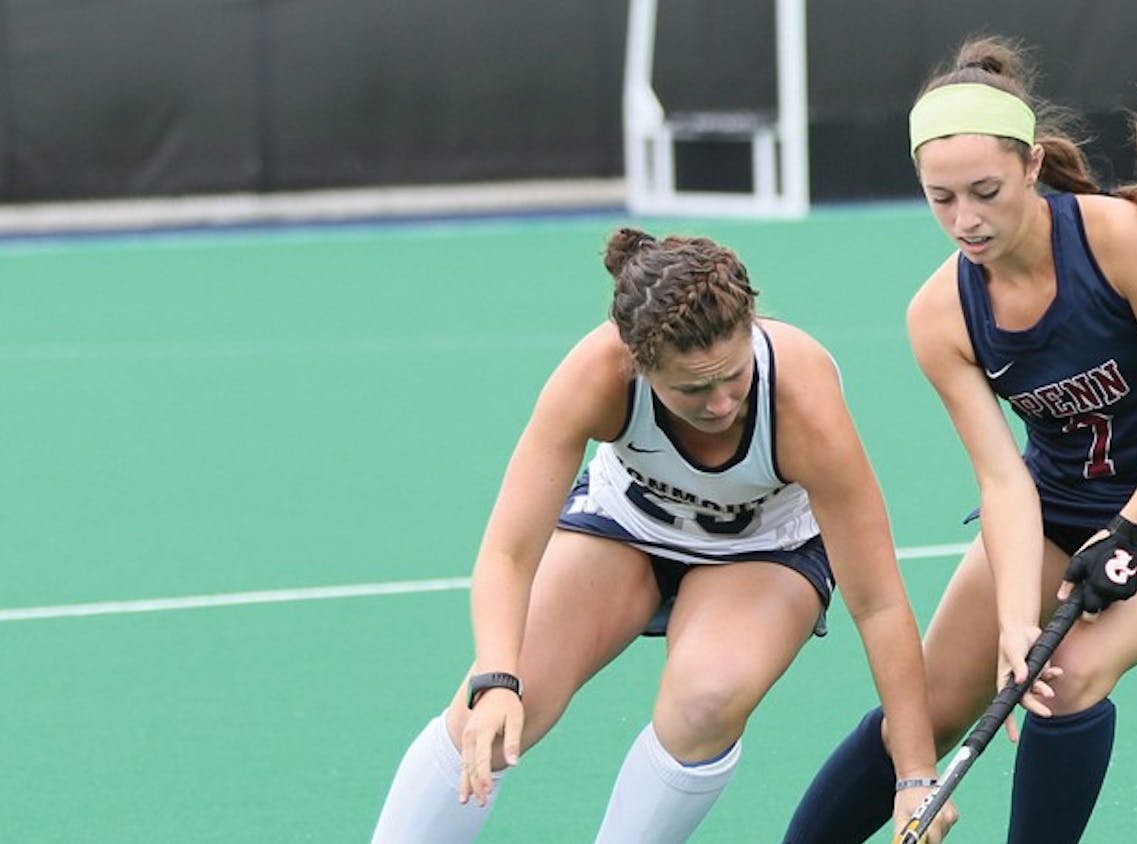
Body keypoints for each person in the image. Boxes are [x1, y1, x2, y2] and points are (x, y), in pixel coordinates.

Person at [782, 36, 1137, 844]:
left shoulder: (1119, 240)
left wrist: (1131, 529)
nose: (965, 220)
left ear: (1032, 167)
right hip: (1053, 505)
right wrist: (1011, 622)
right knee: (925, 709)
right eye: (941, 199)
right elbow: (1002, 479)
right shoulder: (940, 315)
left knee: (1066, 680)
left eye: (985, 191)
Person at [371, 227, 958, 843]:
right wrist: (496, 678)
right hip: (625, 527)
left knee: (705, 700)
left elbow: (879, 599)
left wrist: (916, 773)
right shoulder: (596, 376)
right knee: (483, 715)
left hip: (764, 551)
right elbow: (509, 552)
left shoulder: (802, 402)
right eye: (691, 389)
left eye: (732, 375)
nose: (721, 403)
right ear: (637, 361)